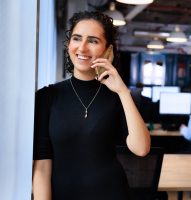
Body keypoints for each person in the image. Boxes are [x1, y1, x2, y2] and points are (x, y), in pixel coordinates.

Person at [32, 11, 150, 200]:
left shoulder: (118, 96)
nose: (82, 47)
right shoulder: (47, 97)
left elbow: (141, 148)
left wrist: (122, 91)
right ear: (69, 43)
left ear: (107, 50)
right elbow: (42, 167)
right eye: (77, 38)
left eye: (93, 41)